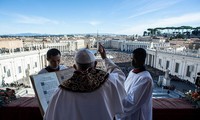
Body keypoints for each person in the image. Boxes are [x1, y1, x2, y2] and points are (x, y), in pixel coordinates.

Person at [44, 44, 127, 120]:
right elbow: (119, 74)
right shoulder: (109, 80)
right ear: (95, 64)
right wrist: (104, 58)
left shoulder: (61, 90)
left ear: (74, 67)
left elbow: (50, 116)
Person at [117, 48, 153, 120]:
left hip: (137, 115)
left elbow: (132, 102)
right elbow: (125, 90)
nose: (132, 61)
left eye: (135, 59)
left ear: (142, 60)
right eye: (132, 58)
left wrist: (114, 101)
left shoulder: (146, 79)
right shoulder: (132, 72)